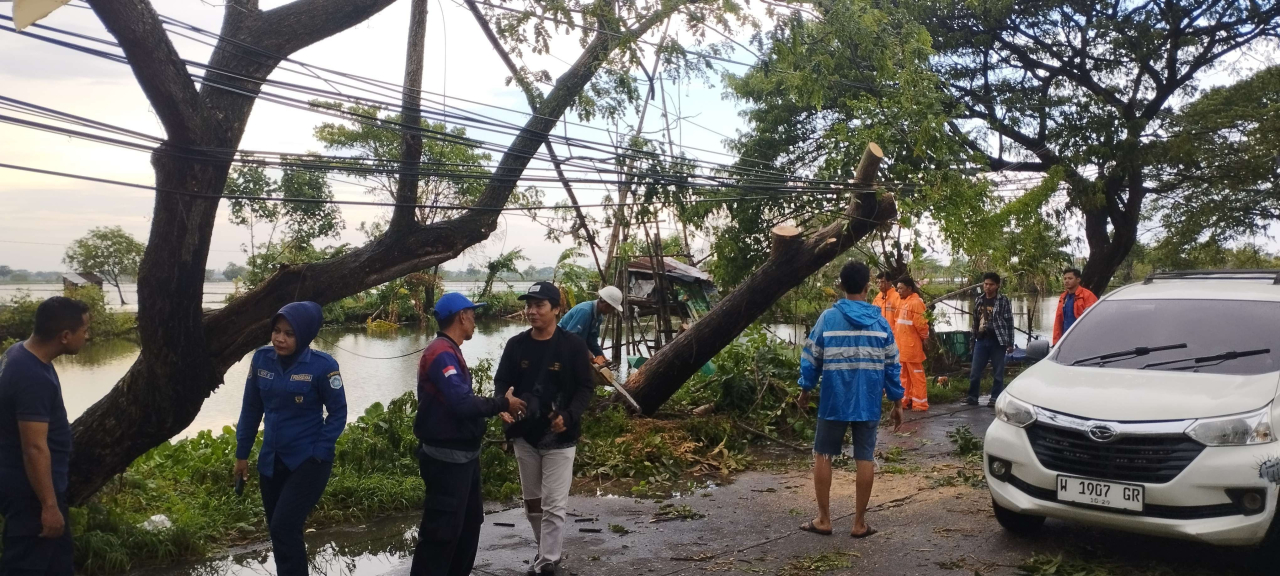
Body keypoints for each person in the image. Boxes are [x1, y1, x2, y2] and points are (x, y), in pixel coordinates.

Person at [410, 293, 527, 576]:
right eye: (472, 314)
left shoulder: (450, 349)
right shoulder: (441, 353)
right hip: (447, 461)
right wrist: (502, 403)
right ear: (461, 316)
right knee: (441, 533)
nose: (475, 320)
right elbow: (461, 404)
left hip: (464, 458)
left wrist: (490, 409)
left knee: (468, 525)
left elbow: (459, 399)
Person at [234, 302, 347, 576]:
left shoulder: (323, 366)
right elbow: (251, 409)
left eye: (289, 333)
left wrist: (319, 451)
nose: (280, 339)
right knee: (280, 530)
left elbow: (338, 412)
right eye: (276, 331)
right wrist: (242, 454)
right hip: (271, 461)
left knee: (284, 526)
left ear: (305, 335)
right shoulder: (261, 360)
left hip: (308, 462)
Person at [494, 282, 596, 576]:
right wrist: (504, 404)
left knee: (553, 504)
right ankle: (545, 552)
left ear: (556, 309)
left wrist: (570, 414)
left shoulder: (573, 346)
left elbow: (585, 387)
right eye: (529, 305)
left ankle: (548, 559)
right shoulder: (517, 345)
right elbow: (502, 382)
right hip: (525, 435)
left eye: (539, 305)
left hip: (561, 438)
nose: (531, 311)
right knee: (533, 504)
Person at [797, 261, 903, 539]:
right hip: (868, 401)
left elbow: (811, 357)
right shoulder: (880, 322)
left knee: (823, 453)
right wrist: (897, 402)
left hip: (834, 399)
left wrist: (805, 389)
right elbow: (893, 364)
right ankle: (858, 524)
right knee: (864, 458)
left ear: (841, 287)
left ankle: (824, 520)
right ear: (868, 287)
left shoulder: (828, 319)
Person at [0, 297, 89, 576]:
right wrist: (49, 506)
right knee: (25, 566)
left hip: (38, 491)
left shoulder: (20, 354)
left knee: (59, 566)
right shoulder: (31, 376)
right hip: (31, 497)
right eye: (85, 329)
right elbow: (34, 448)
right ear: (65, 336)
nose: (88, 336)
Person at [964, 273, 1015, 407]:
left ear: (997, 285)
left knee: (998, 372)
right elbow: (975, 321)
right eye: (986, 284)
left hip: (998, 341)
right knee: (975, 371)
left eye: (991, 284)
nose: (988, 287)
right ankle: (972, 397)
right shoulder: (979, 300)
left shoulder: (1003, 300)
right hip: (981, 339)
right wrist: (972, 340)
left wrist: (1010, 343)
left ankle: (995, 398)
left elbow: (1009, 322)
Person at [557, 286, 625, 366]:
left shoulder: (599, 317)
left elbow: (592, 341)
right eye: (613, 309)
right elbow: (570, 337)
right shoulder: (585, 311)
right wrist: (586, 352)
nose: (611, 312)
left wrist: (600, 356)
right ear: (607, 305)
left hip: (572, 349)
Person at [894, 277, 930, 412]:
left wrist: (925, 338)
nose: (898, 291)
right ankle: (904, 400)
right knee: (903, 376)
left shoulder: (916, 303)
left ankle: (920, 404)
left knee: (916, 376)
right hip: (902, 347)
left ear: (909, 288)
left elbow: (921, 325)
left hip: (912, 348)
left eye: (901, 288)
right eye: (897, 289)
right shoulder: (903, 302)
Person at [1052, 268, 1098, 345]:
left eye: (1070, 278)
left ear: (1078, 280)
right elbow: (1058, 322)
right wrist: (1056, 343)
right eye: (1065, 279)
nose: (1066, 281)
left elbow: (1095, 320)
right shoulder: (1063, 297)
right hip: (1065, 339)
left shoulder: (1088, 296)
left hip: (1083, 340)